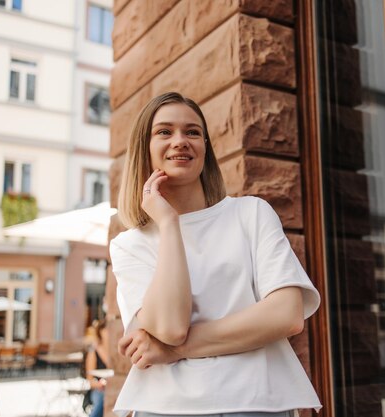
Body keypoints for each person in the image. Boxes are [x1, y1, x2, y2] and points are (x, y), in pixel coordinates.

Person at [109, 92, 321, 417]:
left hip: (257, 402)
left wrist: (173, 350)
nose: (180, 141)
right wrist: (168, 224)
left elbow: (286, 315)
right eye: (165, 132)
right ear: (145, 148)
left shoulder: (251, 214)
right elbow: (171, 326)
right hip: (166, 408)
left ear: (205, 148)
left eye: (192, 132)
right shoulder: (129, 245)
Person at [85, 319, 109, 417]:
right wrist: (100, 384)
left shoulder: (118, 352)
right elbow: (90, 381)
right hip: (99, 389)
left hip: (115, 388)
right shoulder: (94, 351)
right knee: (103, 399)